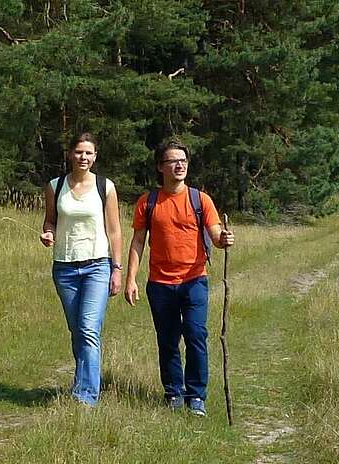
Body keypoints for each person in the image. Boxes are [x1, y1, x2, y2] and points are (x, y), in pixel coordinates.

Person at [123, 139, 236, 416]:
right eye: (173, 161)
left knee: (196, 334)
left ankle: (197, 396)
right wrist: (131, 278)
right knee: (168, 339)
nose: (179, 165)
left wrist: (223, 240)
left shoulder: (200, 199)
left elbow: (215, 234)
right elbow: (138, 241)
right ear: (160, 167)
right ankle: (174, 391)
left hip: (194, 280)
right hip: (160, 284)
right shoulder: (148, 202)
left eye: (183, 160)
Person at [40, 133, 124, 407]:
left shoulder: (105, 186)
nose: (83, 158)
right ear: (70, 154)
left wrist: (117, 268)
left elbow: (114, 231)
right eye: (78, 152)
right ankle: (82, 380)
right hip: (64, 267)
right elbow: (50, 221)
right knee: (77, 330)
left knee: (89, 329)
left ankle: (86, 396)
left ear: (95, 156)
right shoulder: (56, 186)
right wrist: (48, 234)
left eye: (88, 153)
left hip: (97, 266)